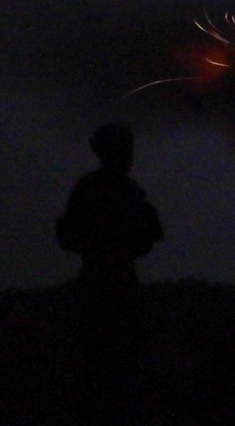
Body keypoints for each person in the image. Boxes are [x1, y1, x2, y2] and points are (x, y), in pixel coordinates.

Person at [55, 123, 163, 423]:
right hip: (121, 286)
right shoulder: (130, 192)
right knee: (123, 372)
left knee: (91, 368)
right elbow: (145, 241)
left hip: (93, 284)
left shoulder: (86, 188)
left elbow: (68, 238)